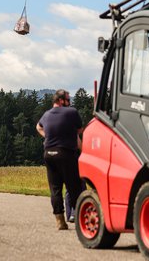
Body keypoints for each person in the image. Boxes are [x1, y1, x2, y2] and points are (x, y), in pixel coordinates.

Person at [36, 89, 84, 230]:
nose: (70, 102)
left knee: (55, 188)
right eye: (68, 99)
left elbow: (38, 127)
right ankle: (80, 217)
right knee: (74, 186)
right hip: (65, 153)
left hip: (48, 153)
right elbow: (80, 130)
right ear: (61, 100)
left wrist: (48, 135)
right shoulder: (71, 112)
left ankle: (60, 221)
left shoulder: (46, 114)